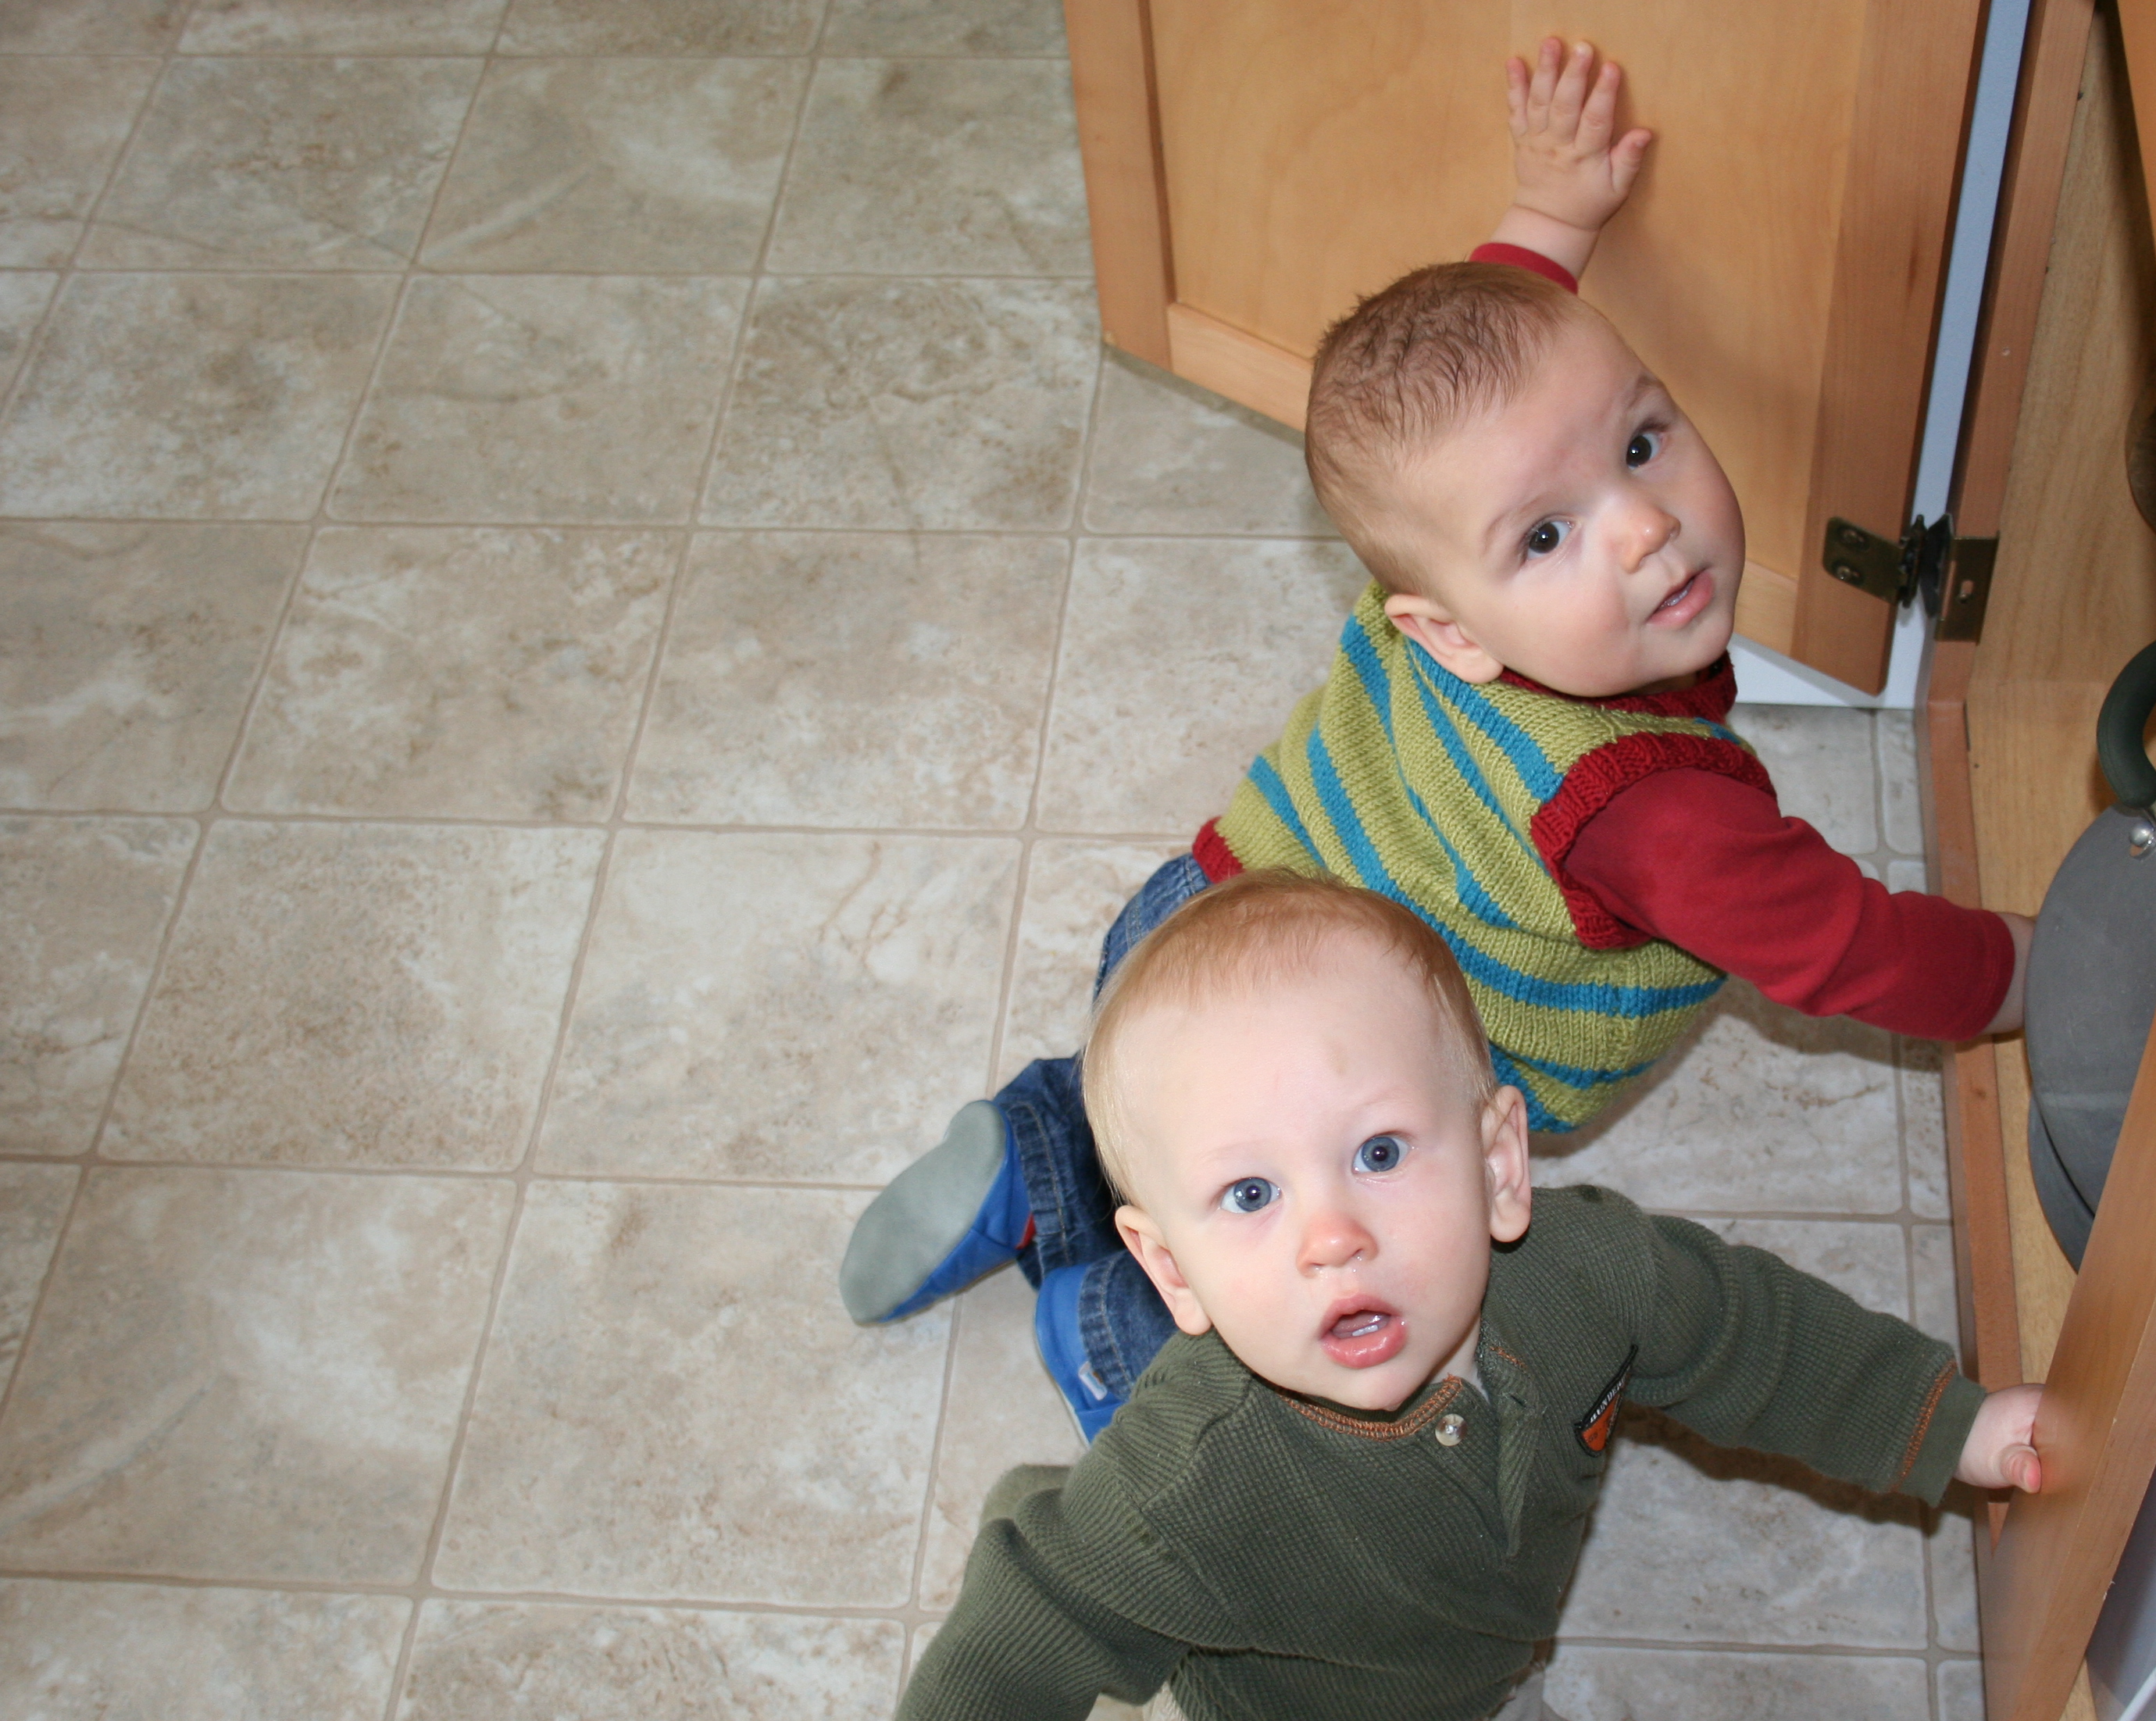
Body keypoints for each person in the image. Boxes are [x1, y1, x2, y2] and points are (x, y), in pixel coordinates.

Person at [841, 39, 2036, 1437]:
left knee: (1186, 1129)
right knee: (1338, 1285)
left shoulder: (1441, 541)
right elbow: (1855, 949)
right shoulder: (1649, 813)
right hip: (1324, 1074)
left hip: (1188, 926)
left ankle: (1046, 1140)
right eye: (1550, 534)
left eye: (1643, 443)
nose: (1643, 528)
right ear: (1452, 629)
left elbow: (1497, 367)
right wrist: (2024, 971)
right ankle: (1124, 1340)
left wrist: (1557, 215)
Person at [871, 870, 2046, 1721]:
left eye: (1378, 1155)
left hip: (1485, 1696)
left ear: (1498, 1166)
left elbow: (1753, 1336)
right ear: (1174, 1269)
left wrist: (1956, 1423)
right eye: (1251, 1195)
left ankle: (1085, 1293)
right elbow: (1018, 1640)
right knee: (1120, 1500)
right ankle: (1086, 1297)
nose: (1332, 1235)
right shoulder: (1183, 1492)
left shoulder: (1592, 1278)